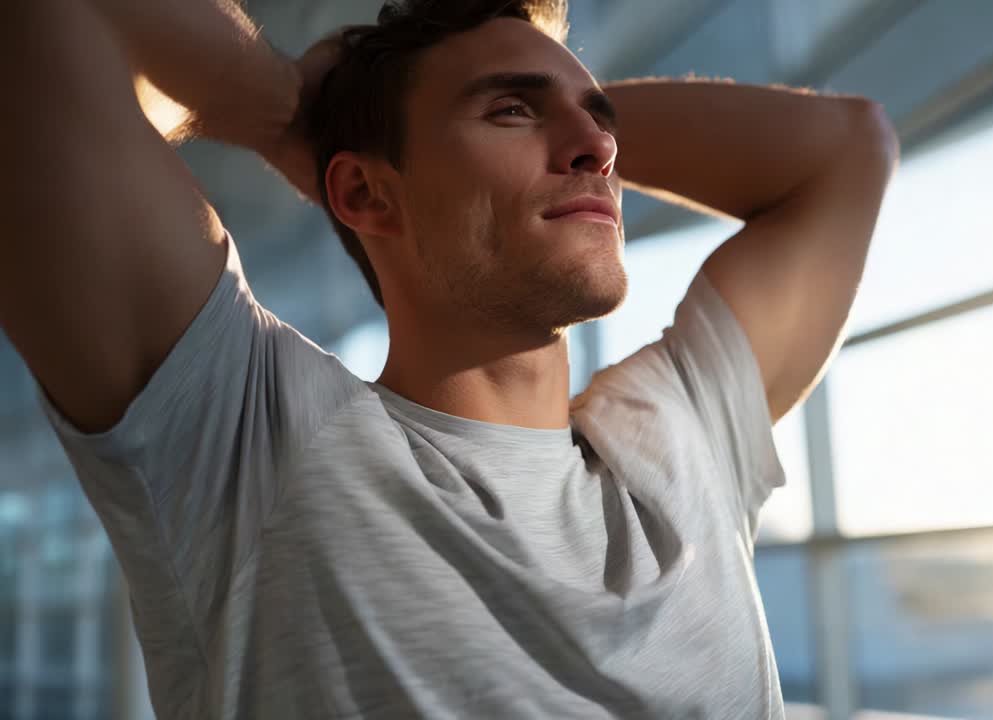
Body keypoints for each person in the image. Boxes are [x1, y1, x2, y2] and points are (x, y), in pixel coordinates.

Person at [0, 0, 897, 717]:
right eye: (510, 109)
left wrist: (540, 128)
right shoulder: (251, 440)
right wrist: (290, 114)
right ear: (363, 191)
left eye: (601, 124)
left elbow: (849, 148)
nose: (602, 150)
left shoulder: (679, 444)